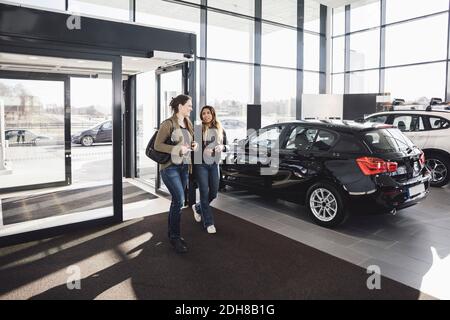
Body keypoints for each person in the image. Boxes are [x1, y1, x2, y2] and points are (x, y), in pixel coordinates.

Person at [154, 94, 198, 254]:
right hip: (170, 167)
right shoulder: (168, 124)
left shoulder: (188, 123)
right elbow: (158, 145)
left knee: (178, 201)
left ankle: (173, 234)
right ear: (180, 106)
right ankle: (175, 237)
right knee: (179, 200)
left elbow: (189, 142)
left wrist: (193, 144)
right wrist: (177, 149)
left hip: (184, 166)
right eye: (189, 105)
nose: (191, 108)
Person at [192, 105, 227, 234]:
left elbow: (226, 145)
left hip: (214, 165)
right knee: (204, 193)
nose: (205, 115)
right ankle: (209, 223)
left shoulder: (219, 128)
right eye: (203, 113)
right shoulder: (198, 128)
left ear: (213, 114)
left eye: (208, 113)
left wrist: (222, 148)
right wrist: (202, 150)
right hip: (201, 165)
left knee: (214, 193)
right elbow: (194, 147)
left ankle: (197, 207)